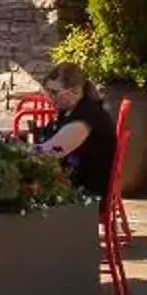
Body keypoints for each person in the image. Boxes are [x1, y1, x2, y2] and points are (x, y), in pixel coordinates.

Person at [32, 61, 117, 202]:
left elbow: (51, 152)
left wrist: (19, 152)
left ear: (74, 91)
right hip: (74, 182)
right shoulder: (69, 111)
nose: (49, 98)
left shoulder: (86, 116)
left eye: (54, 92)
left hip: (86, 194)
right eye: (47, 92)